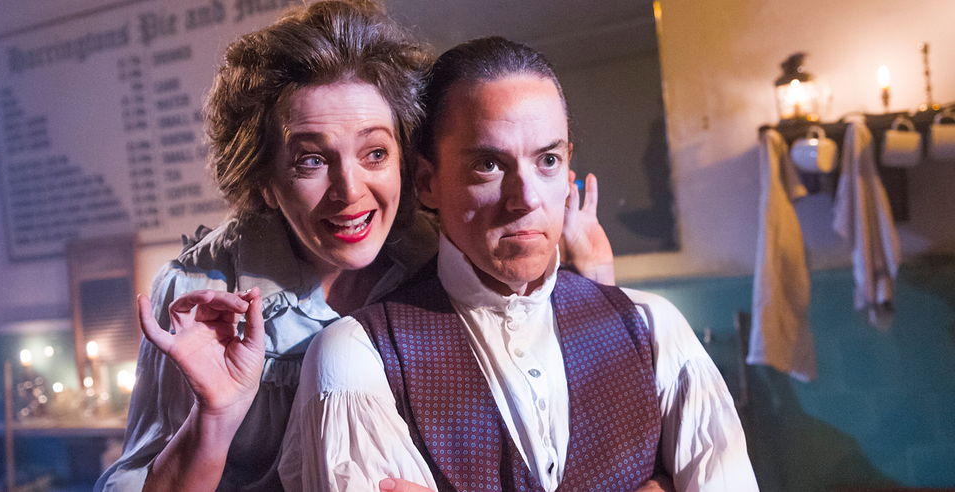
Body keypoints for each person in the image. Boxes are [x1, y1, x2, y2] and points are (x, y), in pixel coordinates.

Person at [95, 3, 614, 491]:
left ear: (409, 163)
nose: (350, 191)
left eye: (374, 153)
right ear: (265, 182)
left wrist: (594, 276)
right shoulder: (200, 291)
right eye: (311, 161)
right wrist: (214, 418)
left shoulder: (446, 259)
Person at [280, 37, 759, 492]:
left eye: (547, 160)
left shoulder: (654, 329)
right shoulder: (357, 357)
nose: (526, 198)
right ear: (427, 181)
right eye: (488, 165)